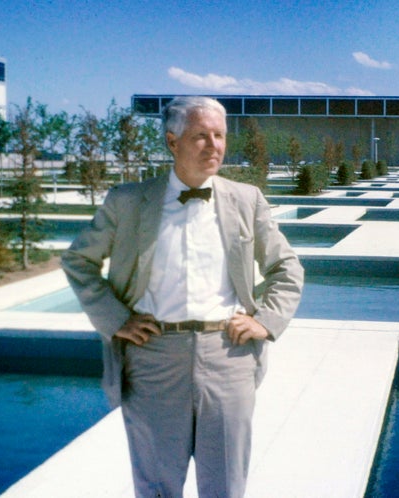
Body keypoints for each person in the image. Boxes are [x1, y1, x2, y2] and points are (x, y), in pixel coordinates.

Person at [61, 96, 304, 498]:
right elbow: (78, 260)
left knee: (225, 486)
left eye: (220, 135)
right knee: (157, 486)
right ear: (172, 142)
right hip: (152, 358)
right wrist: (116, 318)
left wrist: (265, 320)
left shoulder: (246, 199)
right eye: (200, 137)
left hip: (228, 356)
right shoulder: (127, 201)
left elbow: (288, 267)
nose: (214, 146)